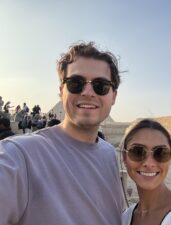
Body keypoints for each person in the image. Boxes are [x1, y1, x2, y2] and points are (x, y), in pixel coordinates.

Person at [0, 41, 123, 225]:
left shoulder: (109, 154)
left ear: (113, 96)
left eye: (101, 85)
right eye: (76, 83)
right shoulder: (19, 156)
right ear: (61, 91)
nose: (88, 92)